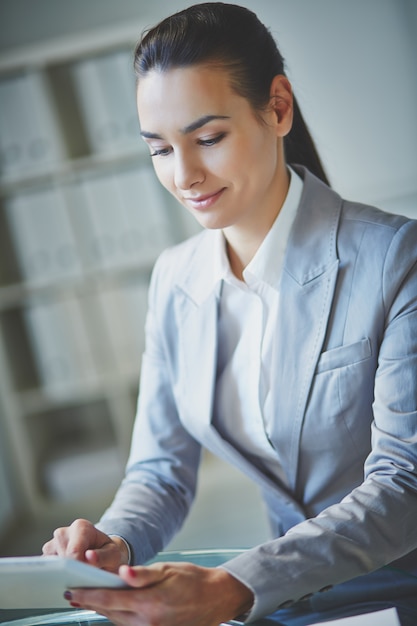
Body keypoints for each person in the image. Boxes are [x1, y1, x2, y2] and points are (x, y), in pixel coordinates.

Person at [42, 3, 417, 625]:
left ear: (277, 107)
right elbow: (161, 470)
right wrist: (116, 544)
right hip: (290, 604)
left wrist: (235, 585)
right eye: (159, 149)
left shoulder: (394, 258)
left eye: (208, 138)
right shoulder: (175, 279)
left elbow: (406, 481)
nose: (184, 174)